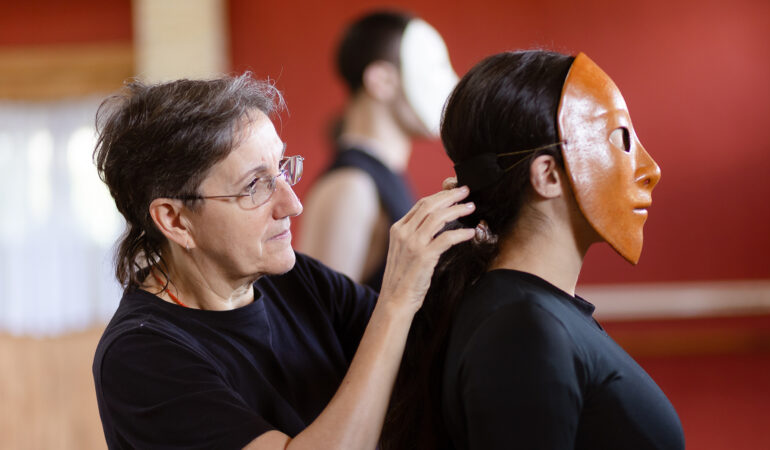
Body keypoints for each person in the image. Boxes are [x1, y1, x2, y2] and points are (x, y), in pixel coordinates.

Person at [90, 73, 476, 449]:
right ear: (175, 221)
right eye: (254, 186)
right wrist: (396, 300)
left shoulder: (295, 279)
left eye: (281, 169)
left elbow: (429, 348)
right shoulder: (140, 356)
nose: (292, 204)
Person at [381, 50, 685, 449]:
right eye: (621, 141)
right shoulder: (523, 329)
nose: (650, 170)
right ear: (548, 175)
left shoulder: (529, 314)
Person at [298, 11, 458, 290]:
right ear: (381, 80)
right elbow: (319, 312)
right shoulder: (351, 185)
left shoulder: (379, 177)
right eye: (434, 68)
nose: (452, 82)